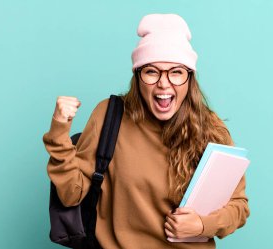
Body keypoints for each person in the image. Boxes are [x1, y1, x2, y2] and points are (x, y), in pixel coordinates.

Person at [43, 13, 250, 249]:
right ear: (138, 76)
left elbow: (238, 206)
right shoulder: (109, 116)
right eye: (151, 71)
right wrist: (59, 132)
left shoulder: (211, 127)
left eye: (176, 72)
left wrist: (203, 225)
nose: (164, 83)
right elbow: (71, 195)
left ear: (189, 78)